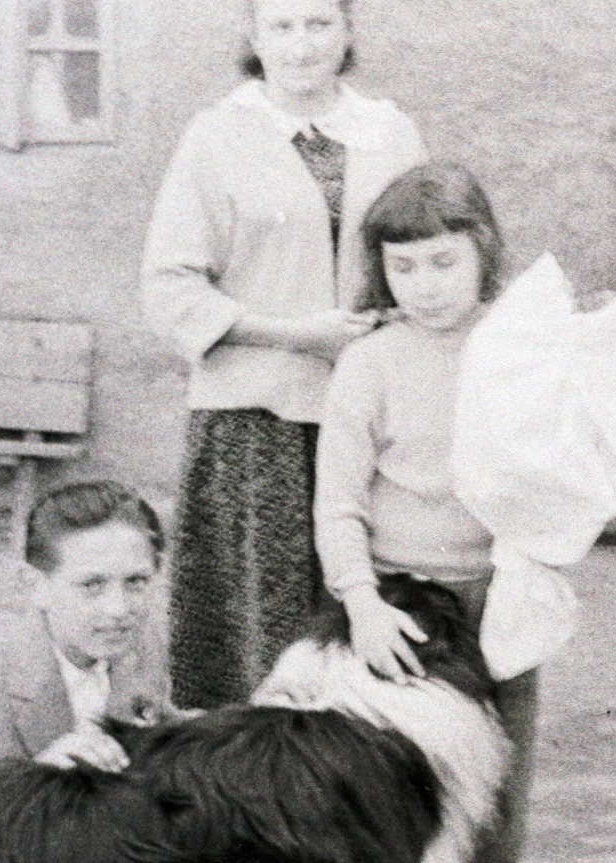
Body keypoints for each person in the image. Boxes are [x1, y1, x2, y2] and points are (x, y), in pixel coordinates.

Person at [315, 162, 537, 863]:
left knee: (497, 808)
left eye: (443, 262)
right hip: (399, 614)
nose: (425, 286)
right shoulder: (369, 363)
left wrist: (543, 566)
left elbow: (566, 467)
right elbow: (337, 503)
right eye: (403, 268)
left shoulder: (521, 349)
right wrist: (361, 603)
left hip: (502, 608)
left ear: (483, 251)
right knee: (394, 817)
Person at [141, 0, 427, 710]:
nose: (301, 46)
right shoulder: (216, 136)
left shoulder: (389, 133)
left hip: (370, 420)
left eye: (318, 24)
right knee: (260, 642)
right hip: (254, 425)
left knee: (362, 620)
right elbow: (169, 288)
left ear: (349, 31)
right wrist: (298, 334)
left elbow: (422, 254)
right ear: (253, 36)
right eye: (282, 26)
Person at [0, 480, 169, 791]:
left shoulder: (142, 644)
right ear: (36, 585)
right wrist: (38, 780)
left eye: (136, 581)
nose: (118, 608)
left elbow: (164, 728)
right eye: (91, 585)